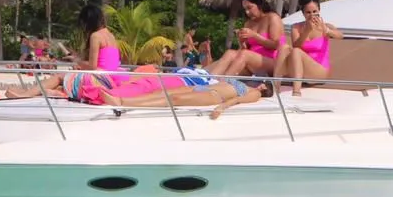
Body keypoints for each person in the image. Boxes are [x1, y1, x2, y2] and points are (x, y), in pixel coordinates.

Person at [5, 4, 124, 100]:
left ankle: (26, 94)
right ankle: (32, 92)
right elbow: (105, 62)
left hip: (99, 79)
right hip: (110, 79)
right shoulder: (111, 36)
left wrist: (76, 60)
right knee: (67, 80)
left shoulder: (96, 36)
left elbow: (92, 66)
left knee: (59, 76)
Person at [101, 77, 272, 119]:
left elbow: (237, 100)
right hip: (205, 87)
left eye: (263, 83)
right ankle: (122, 100)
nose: (260, 83)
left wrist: (221, 108)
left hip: (214, 96)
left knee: (175, 100)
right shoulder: (245, 84)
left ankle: (123, 104)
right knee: (165, 92)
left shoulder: (255, 93)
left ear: (264, 87)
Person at [209, 0, 286, 77]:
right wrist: (241, 41)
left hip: (273, 61)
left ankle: (224, 82)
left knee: (245, 55)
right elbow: (244, 50)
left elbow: (276, 45)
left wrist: (254, 35)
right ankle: (210, 79)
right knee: (230, 53)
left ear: (259, 4)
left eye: (249, 8)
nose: (247, 12)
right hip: (251, 60)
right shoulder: (248, 23)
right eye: (245, 9)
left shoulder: (272, 18)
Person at [278, 0, 343, 97]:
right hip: (301, 69)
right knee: (284, 48)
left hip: (320, 71)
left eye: (314, 11)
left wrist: (326, 31)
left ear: (319, 11)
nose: (312, 15)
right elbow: (296, 45)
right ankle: (276, 86)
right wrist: (306, 31)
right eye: (308, 12)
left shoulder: (325, 26)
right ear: (303, 13)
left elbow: (340, 36)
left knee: (296, 51)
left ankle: (296, 92)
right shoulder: (296, 27)